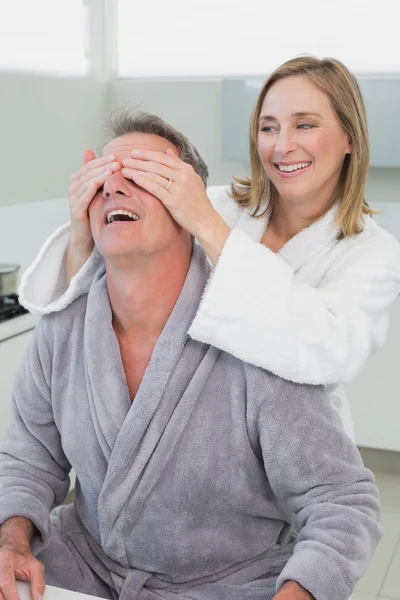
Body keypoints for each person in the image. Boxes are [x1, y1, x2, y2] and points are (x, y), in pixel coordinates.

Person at [0, 112, 382, 600]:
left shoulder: (258, 333)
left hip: (228, 585)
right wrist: (11, 539)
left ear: (189, 204)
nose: (114, 187)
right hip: (85, 568)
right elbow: (28, 460)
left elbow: (342, 503)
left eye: (143, 174)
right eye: (102, 178)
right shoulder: (63, 324)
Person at [19, 56, 400, 441]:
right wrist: (84, 230)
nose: (282, 146)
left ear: (350, 137)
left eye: (305, 125)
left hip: (300, 446)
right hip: (196, 436)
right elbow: (102, 297)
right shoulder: (216, 205)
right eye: (268, 128)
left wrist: (205, 223)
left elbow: (327, 348)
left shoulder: (374, 254)